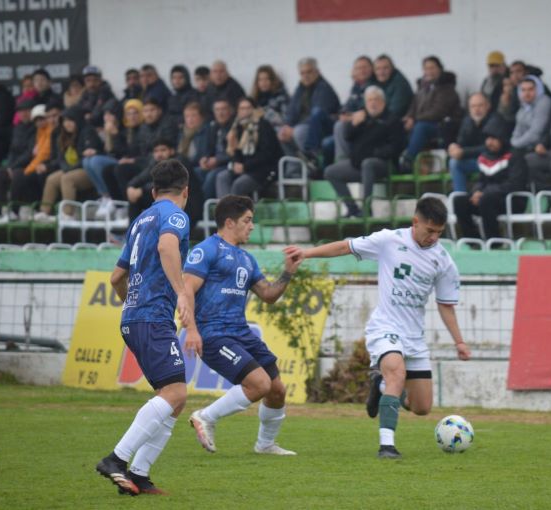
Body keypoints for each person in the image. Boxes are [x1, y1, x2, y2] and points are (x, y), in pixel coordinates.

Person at [284, 197, 471, 459]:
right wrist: (306, 253)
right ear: (415, 222)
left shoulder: (443, 261)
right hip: (385, 327)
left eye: (439, 233)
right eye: (430, 231)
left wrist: (459, 342)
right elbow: (345, 247)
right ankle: (387, 445)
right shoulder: (388, 240)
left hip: (414, 337)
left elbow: (445, 305)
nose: (434, 238)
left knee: (422, 408)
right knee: (396, 371)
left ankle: (380, 387)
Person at [96, 159, 200, 496]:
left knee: (172, 398)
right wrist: (182, 293)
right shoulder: (175, 215)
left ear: (153, 191)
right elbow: (167, 246)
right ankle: (117, 459)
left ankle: (139, 475)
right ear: (186, 191)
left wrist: (132, 303)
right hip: (153, 315)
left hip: (134, 317)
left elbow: (116, 277)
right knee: (176, 393)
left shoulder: (140, 220)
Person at [186, 195, 302, 456]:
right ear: (229, 222)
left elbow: (269, 295)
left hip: (240, 332)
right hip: (214, 334)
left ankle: (265, 445)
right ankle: (205, 416)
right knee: (259, 384)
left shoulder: (247, 259)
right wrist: (191, 329)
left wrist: (288, 272)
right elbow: (186, 291)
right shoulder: (206, 250)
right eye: (247, 221)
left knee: (276, 390)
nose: (252, 226)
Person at [323, 86, 405, 216]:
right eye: (369, 100)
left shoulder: (392, 120)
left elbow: (396, 147)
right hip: (358, 164)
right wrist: (353, 124)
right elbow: (347, 137)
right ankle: (352, 209)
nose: (372, 103)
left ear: (383, 102)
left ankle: (366, 208)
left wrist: (375, 153)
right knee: (330, 172)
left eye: (376, 99)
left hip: (383, 164)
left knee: (368, 163)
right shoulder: (362, 117)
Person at [453, 118, 528, 239]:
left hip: (512, 200)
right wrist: (476, 192)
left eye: (494, 139)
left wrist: (485, 193)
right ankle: (473, 241)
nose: (489, 142)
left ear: (502, 139)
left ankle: (494, 241)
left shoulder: (515, 156)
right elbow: (481, 181)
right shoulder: (485, 156)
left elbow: (515, 184)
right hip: (488, 199)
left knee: (486, 199)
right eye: (488, 138)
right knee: (459, 201)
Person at [34, 106, 102, 221]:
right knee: (52, 179)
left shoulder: (88, 132)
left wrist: (69, 169)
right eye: (65, 121)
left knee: (67, 178)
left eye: (70, 120)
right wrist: (65, 167)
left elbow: (88, 157)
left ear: (77, 120)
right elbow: (61, 158)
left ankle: (68, 214)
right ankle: (45, 211)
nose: (67, 124)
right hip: (71, 169)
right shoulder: (63, 135)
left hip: (88, 169)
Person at [400, 56, 461, 170]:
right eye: (426, 68)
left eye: (432, 68)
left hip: (442, 126)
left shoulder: (447, 88)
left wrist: (415, 119)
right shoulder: (422, 89)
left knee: (421, 127)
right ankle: (397, 160)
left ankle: (408, 159)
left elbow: (438, 112)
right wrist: (409, 118)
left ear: (440, 69)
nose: (429, 71)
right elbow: (413, 106)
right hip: (421, 123)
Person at [215, 97, 283, 198]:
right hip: (245, 169)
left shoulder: (263, 126)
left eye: (248, 108)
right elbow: (234, 151)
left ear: (254, 109)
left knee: (238, 185)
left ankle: (236, 212)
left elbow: (267, 154)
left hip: (263, 170)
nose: (245, 111)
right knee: (222, 177)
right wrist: (237, 163)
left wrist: (245, 166)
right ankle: (224, 211)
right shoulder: (236, 128)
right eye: (242, 108)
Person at [279, 57, 340, 167]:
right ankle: (294, 170)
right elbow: (291, 111)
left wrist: (293, 129)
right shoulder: (300, 88)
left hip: (322, 129)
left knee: (299, 132)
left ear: (317, 72)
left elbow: (317, 116)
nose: (305, 76)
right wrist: (287, 126)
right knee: (281, 133)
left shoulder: (324, 87)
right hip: (303, 126)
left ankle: (312, 162)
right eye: (302, 73)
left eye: (309, 72)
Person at [0, 99, 35, 222]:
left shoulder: (36, 128)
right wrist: (9, 166)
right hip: (14, 164)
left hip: (29, 165)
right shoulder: (17, 128)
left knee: (18, 175)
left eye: (27, 111)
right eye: (21, 111)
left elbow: (30, 153)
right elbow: (12, 150)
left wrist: (12, 167)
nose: (24, 114)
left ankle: (14, 211)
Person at [447, 92, 500, 193]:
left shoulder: (495, 120)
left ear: (488, 106)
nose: (477, 109)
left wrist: (464, 152)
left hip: (494, 161)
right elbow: (461, 143)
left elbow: (489, 148)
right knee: (454, 162)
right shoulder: (467, 121)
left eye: (480, 105)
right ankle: (459, 197)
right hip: (476, 161)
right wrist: (454, 148)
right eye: (473, 106)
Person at [327, 55, 376, 164]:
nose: (362, 71)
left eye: (365, 67)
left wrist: (350, 117)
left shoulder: (375, 85)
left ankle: (343, 163)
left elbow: (367, 110)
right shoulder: (356, 87)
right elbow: (347, 107)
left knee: (339, 126)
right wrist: (342, 114)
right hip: (353, 125)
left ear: (372, 69)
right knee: (327, 142)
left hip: (367, 126)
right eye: (358, 68)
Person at [197, 98, 234, 199]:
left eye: (223, 109)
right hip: (215, 164)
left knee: (212, 176)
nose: (220, 113)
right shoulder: (213, 127)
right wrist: (205, 158)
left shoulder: (235, 127)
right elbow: (209, 149)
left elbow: (235, 153)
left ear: (230, 111)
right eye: (217, 110)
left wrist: (217, 160)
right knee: (195, 172)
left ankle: (205, 208)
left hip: (229, 164)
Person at [509, 76, 551, 154]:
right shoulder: (524, 107)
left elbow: (535, 133)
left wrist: (516, 144)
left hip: (540, 146)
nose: (527, 93)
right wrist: (513, 143)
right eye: (523, 90)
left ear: (538, 89)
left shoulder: (544, 102)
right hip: (525, 146)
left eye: (531, 89)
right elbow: (517, 131)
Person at [249, 65, 290, 132]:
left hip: (276, 131)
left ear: (272, 80)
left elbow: (285, 119)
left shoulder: (281, 97)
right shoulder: (254, 99)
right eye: (260, 80)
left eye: (266, 79)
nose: (263, 82)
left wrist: (265, 113)